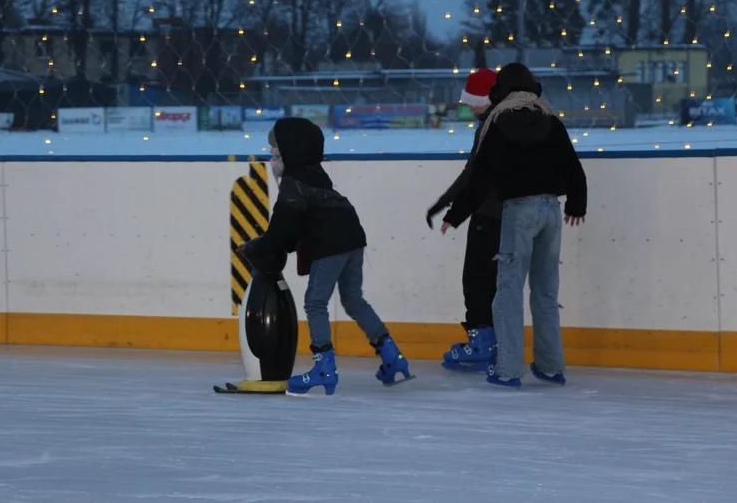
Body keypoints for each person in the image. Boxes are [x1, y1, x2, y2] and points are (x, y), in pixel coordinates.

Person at [241, 116, 413, 396]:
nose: (272, 156)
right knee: (354, 300)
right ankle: (392, 357)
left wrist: (258, 248)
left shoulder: (294, 182)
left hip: (332, 243)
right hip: (353, 237)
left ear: (291, 151)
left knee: (315, 302)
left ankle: (324, 367)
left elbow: (282, 227)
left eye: (276, 151)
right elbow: (299, 224)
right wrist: (281, 243)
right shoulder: (316, 174)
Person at [440, 63, 587, 388]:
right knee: (546, 294)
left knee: (507, 292)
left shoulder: (499, 121)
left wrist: (457, 213)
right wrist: (577, 204)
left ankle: (508, 369)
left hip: (519, 211)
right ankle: (551, 367)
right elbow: (574, 168)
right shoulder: (550, 119)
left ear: (501, 91)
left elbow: (482, 176)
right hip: (551, 210)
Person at [426, 68, 502, 372]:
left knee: (476, 280)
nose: (469, 107)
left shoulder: (491, 126)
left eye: (473, 101)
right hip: (512, 215)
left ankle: (482, 344)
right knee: (496, 283)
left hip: (488, 214)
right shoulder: (509, 121)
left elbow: (473, 175)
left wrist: (446, 205)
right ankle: (497, 343)